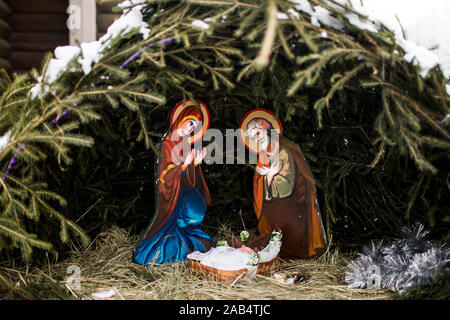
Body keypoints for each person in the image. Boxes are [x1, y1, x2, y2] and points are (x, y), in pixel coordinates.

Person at [134, 99, 215, 265]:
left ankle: (186, 235)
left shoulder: (185, 143)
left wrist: (195, 163)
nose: (190, 128)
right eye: (189, 123)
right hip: (171, 198)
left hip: (182, 198)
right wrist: (184, 164)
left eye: (194, 126)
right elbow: (165, 176)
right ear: (181, 119)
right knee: (167, 242)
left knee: (196, 234)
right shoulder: (166, 144)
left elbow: (188, 179)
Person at [239, 108, 327, 258]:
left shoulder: (285, 152)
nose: (257, 139)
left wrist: (269, 177)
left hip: (291, 205)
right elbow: (259, 181)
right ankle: (268, 254)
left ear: (267, 130)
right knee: (268, 232)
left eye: (258, 134)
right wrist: (270, 174)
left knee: (285, 232)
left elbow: (286, 186)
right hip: (271, 204)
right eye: (253, 138)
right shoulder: (263, 155)